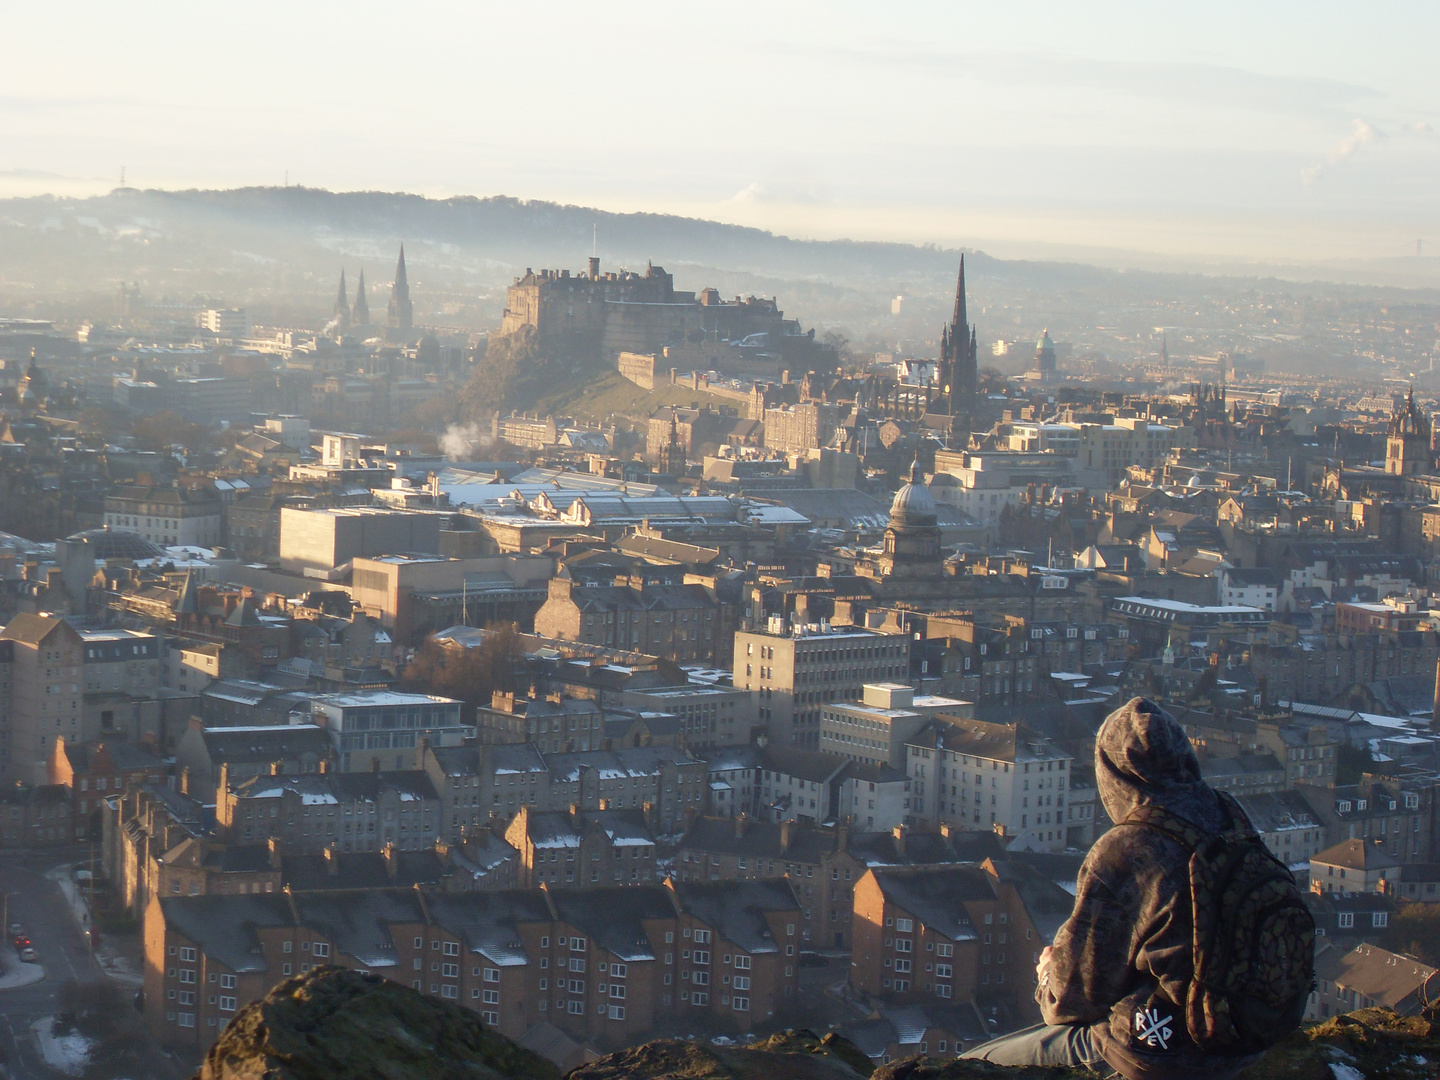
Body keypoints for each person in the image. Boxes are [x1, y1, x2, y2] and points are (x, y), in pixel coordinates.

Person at [961, 697, 1264, 1080]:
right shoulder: (1231, 816)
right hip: (1249, 1037)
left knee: (970, 1067)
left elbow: (1072, 1000)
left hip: (1164, 1050)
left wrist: (1045, 975)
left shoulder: (1128, 849)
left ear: (1113, 776)